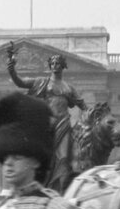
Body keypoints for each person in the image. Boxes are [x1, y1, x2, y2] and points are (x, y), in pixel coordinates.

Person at [7, 47, 87, 194]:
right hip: (48, 125)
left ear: (63, 66)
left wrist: (86, 121)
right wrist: (12, 70)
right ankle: (44, 185)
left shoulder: (69, 88)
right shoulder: (42, 82)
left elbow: (83, 106)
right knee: (46, 158)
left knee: (63, 158)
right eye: (53, 63)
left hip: (64, 124)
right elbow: (20, 82)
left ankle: (60, 189)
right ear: (50, 66)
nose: (55, 65)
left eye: (58, 63)